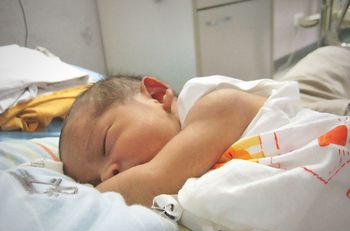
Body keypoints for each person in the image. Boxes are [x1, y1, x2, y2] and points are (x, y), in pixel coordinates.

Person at [59, 46, 350, 206]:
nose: (109, 175)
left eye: (106, 144)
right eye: (96, 181)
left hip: (330, 137)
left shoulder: (213, 105)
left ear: (158, 95)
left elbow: (154, 179)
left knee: (330, 57)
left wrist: (83, 199)